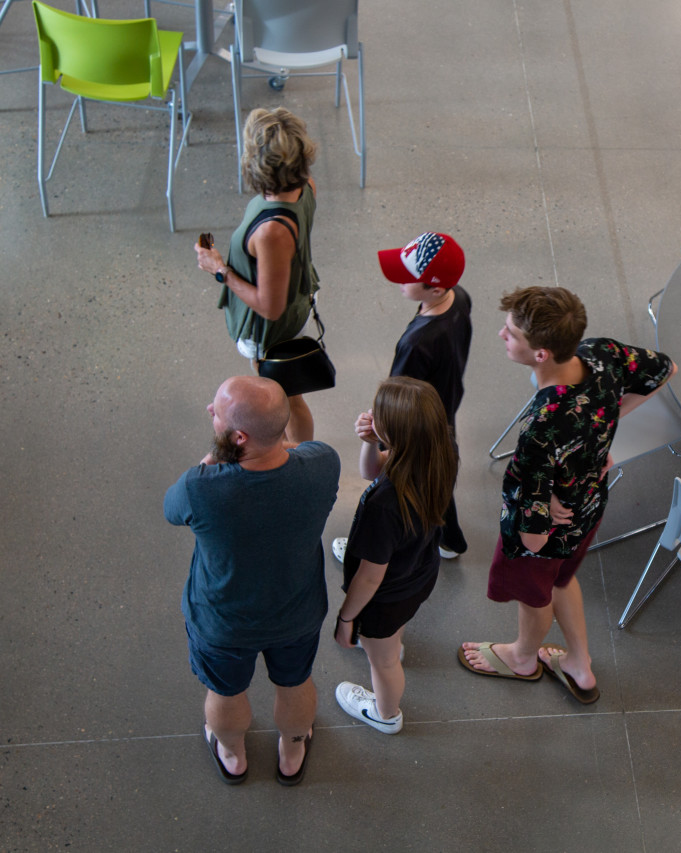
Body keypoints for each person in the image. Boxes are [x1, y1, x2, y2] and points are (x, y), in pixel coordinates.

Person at [460, 286, 676, 705]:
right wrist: (601, 425)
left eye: (510, 333)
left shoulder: (543, 425)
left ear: (541, 354)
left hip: (549, 527)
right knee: (562, 578)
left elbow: (534, 540)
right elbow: (665, 369)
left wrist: (536, 511)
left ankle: (522, 658)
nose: (501, 336)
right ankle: (578, 663)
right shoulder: (600, 352)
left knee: (535, 591)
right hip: (589, 505)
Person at [164, 376, 340, 786]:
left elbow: (170, 509)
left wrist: (214, 457)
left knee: (226, 692)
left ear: (238, 437)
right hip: (297, 613)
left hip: (224, 622)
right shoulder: (324, 465)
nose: (210, 412)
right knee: (295, 683)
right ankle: (293, 750)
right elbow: (299, 448)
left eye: (217, 413)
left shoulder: (200, 489)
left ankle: (232, 755)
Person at [331, 232, 471, 564]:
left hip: (415, 423)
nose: (399, 282)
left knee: (399, 487)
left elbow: (399, 397)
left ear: (435, 288)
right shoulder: (459, 297)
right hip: (444, 408)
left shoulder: (417, 346)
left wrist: (380, 432)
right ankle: (449, 538)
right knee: (439, 472)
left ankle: (374, 544)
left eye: (408, 278)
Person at [332, 377, 458, 734]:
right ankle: (391, 643)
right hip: (418, 571)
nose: (371, 416)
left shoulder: (384, 505)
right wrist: (373, 444)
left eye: (378, 415)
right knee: (391, 636)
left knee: (383, 664)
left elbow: (370, 577)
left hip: (385, 595)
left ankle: (385, 714)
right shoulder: (440, 451)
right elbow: (370, 470)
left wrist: (347, 619)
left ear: (399, 436)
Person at [194, 107, 322, 444]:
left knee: (285, 397)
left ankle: (296, 456)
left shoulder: (271, 232)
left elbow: (269, 307)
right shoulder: (306, 186)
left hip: (273, 330)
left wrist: (220, 270)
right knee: (289, 393)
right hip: (298, 298)